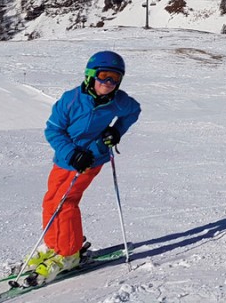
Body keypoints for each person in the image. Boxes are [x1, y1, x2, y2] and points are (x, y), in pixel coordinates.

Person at [27, 51, 141, 282]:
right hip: (65, 160)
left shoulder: (118, 101)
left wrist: (116, 131)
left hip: (91, 160)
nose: (109, 83)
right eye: (104, 76)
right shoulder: (70, 100)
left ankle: (69, 254)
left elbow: (133, 111)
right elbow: (53, 130)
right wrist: (70, 152)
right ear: (91, 76)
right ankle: (55, 246)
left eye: (115, 79)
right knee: (51, 201)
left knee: (65, 202)